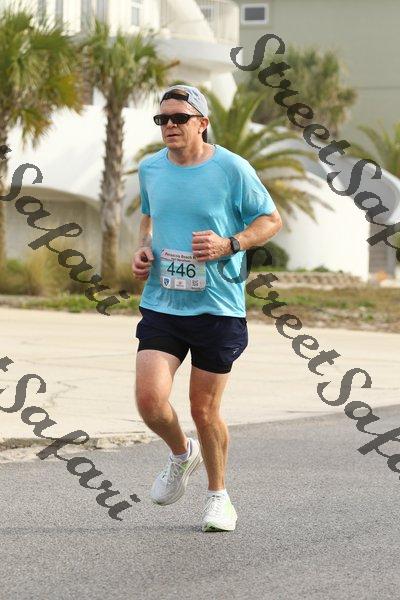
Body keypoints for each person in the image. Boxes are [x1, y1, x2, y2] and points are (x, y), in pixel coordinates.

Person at [132, 84, 282, 532]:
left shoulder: (232, 168)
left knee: (203, 410)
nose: (170, 125)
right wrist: (143, 248)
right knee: (150, 401)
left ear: (202, 122)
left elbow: (271, 220)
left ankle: (219, 498)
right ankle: (182, 454)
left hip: (217, 307)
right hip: (162, 302)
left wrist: (229, 244)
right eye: (162, 119)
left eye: (179, 117)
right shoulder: (150, 168)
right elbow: (148, 216)